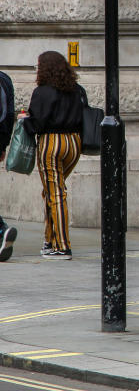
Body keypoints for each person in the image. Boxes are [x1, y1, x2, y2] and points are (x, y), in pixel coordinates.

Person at [19, 51, 85, 260]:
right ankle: (50, 240)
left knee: (55, 193)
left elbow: (37, 123)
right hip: (74, 143)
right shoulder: (78, 90)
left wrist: (24, 119)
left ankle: (62, 246)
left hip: (52, 143)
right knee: (52, 190)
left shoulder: (43, 92)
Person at [0, 70, 19, 261]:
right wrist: (3, 145)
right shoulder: (5, 79)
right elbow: (9, 115)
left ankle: (1, 230)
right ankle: (1, 232)